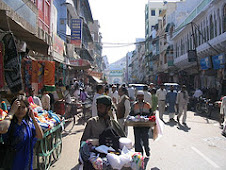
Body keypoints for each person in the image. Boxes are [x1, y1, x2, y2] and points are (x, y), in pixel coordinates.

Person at [1, 95, 43, 170]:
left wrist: (33, 118)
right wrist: (11, 113)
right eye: (18, 107)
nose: (20, 110)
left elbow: (40, 136)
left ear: (28, 109)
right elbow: (2, 129)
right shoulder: (10, 124)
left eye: (23, 107)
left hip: (27, 165)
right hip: (13, 165)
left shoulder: (28, 124)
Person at [130, 90, 152, 157]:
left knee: (145, 139)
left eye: (141, 96)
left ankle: (147, 151)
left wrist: (147, 118)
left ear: (143, 97)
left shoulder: (147, 105)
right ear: (137, 97)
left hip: (145, 125)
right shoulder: (134, 105)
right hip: (137, 125)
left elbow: (151, 114)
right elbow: (131, 114)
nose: (140, 97)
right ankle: (139, 154)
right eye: (139, 96)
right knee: (137, 139)